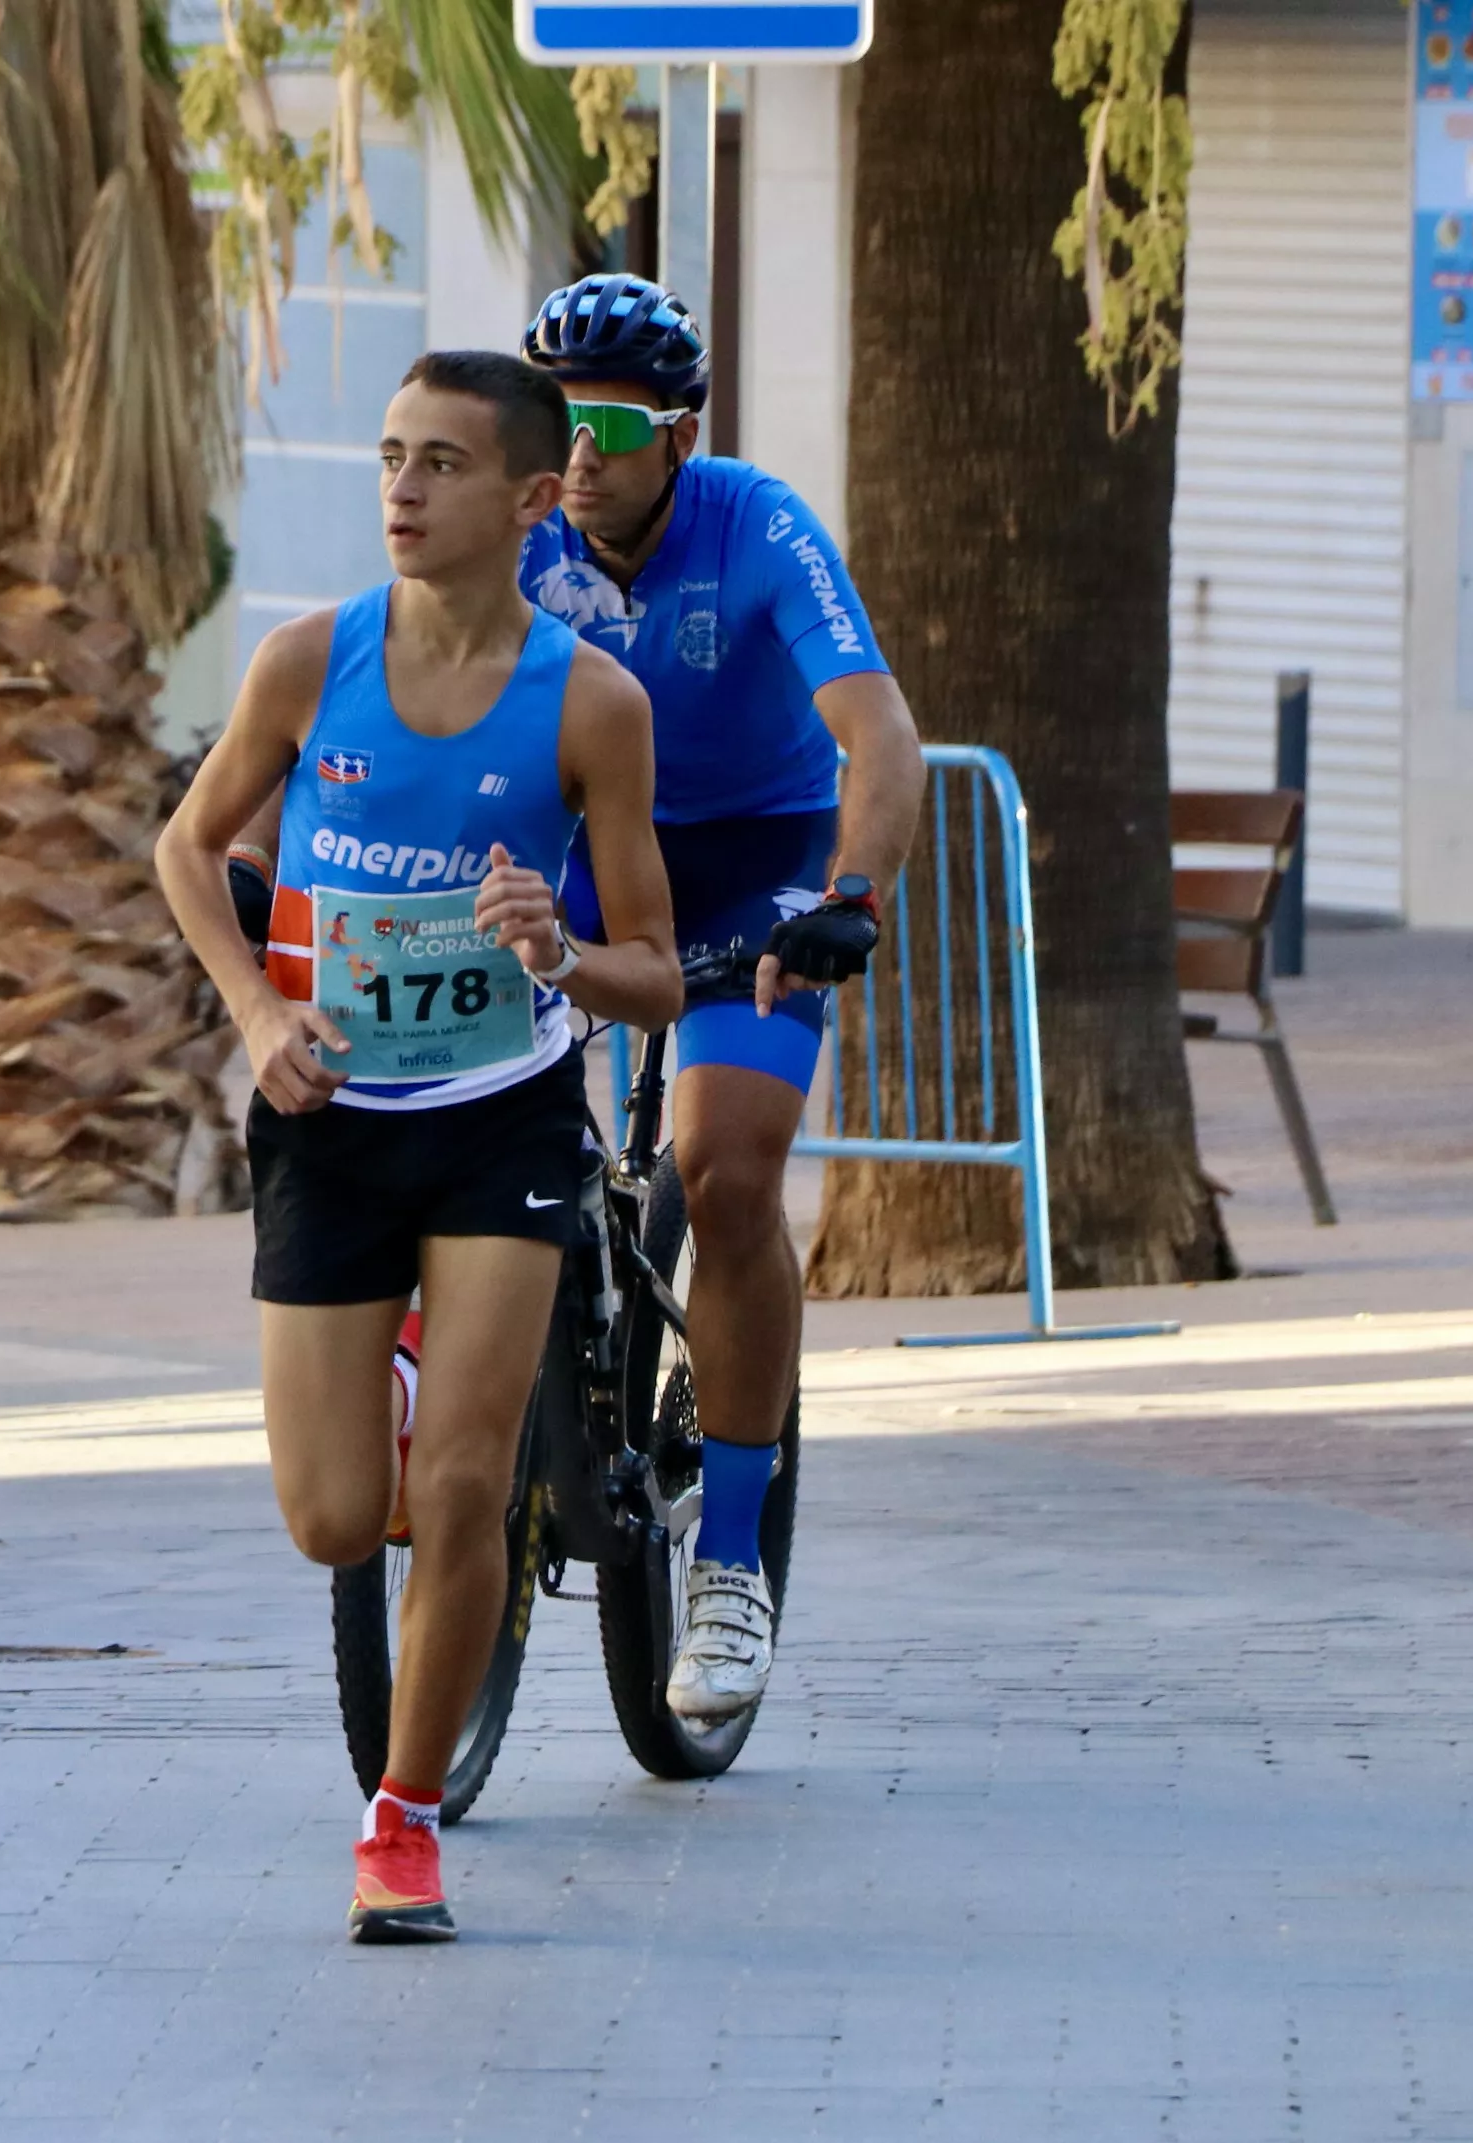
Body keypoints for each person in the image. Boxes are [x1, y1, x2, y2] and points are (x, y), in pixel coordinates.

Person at [158, 351, 681, 1945]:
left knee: (459, 1487)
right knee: (333, 1516)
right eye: (390, 454)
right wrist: (254, 1013)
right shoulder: (308, 662)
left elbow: (651, 969)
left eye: (442, 463)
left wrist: (557, 953)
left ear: (531, 500)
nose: (401, 487)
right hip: (329, 1117)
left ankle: (400, 1824)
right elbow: (187, 847)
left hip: (499, 1123)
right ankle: (387, 1380)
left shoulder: (591, 705)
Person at [519, 274, 926, 1722]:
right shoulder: (510, 535)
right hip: (577, 855)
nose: (578, 454)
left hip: (752, 859)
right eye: (557, 421)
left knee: (728, 1176)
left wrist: (847, 899)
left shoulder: (756, 524)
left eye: (613, 424)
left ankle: (734, 1560)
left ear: (680, 433)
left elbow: (878, 734)